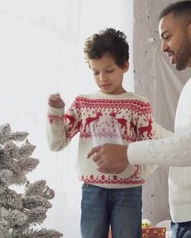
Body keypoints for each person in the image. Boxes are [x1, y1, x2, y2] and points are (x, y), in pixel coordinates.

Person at [88, 0, 191, 238]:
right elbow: (187, 143)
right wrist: (143, 128)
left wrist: (127, 153)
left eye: (167, 36)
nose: (163, 47)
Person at [46, 28, 167, 238]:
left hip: (129, 191)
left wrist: (133, 171)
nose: (102, 78)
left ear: (125, 66)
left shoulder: (138, 105)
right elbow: (57, 143)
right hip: (92, 189)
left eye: (109, 70)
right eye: (96, 71)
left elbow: (151, 150)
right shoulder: (83, 103)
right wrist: (56, 111)